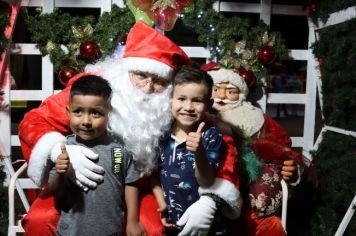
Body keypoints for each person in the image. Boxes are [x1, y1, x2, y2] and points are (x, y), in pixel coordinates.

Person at [18, 21, 241, 236]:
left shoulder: (176, 106)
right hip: (79, 183)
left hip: (139, 189)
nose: (148, 87)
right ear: (126, 70)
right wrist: (59, 151)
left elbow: (222, 146)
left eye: (159, 81)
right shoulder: (99, 89)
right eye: (141, 75)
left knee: (153, 229)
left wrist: (211, 199)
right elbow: (34, 121)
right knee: (41, 219)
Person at [200, 62, 302, 236]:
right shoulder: (195, 114)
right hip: (206, 193)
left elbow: (285, 148)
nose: (222, 96)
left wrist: (291, 170)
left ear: (240, 94)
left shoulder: (256, 118)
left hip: (249, 194)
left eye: (231, 91)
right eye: (217, 90)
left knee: (270, 227)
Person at [48, 75, 143, 235]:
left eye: (95, 113)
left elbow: (130, 183)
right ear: (68, 112)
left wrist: (133, 221)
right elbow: (53, 191)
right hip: (71, 232)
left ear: (109, 113)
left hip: (110, 231)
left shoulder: (120, 148)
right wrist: (60, 173)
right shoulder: (65, 148)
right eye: (78, 112)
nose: (86, 121)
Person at [152, 65, 226, 235]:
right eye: (181, 99)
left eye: (197, 100)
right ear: (171, 99)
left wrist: (199, 152)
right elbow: (153, 174)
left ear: (209, 104)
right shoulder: (160, 134)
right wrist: (160, 201)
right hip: (171, 225)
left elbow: (207, 182)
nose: (188, 107)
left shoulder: (211, 135)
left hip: (205, 227)